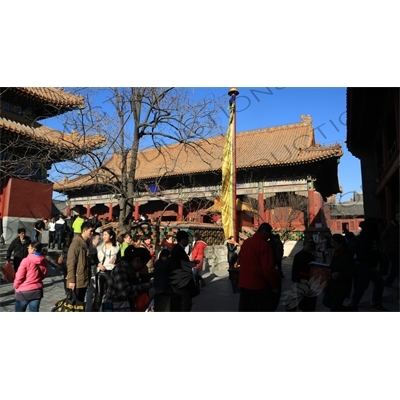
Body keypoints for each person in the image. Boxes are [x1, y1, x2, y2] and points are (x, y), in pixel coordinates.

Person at [238, 223, 280, 312]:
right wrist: (274, 286)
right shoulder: (264, 245)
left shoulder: (247, 242)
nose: (269, 237)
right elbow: (268, 269)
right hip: (258, 286)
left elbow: (240, 259)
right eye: (269, 234)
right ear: (265, 232)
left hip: (244, 284)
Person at [347, 218, 387, 311]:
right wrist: (372, 264)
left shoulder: (364, 235)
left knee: (363, 284)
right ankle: (375, 302)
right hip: (366, 264)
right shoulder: (369, 236)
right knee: (379, 282)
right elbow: (367, 252)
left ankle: (354, 303)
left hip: (362, 263)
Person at [104, 246, 153, 311]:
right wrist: (148, 285)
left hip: (123, 306)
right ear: (137, 260)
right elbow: (126, 291)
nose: (143, 267)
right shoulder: (121, 268)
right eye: (143, 264)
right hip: (114, 307)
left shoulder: (131, 270)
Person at [322, 234, 355, 311]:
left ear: (340, 243)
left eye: (334, 243)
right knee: (326, 302)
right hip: (332, 285)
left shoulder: (346, 255)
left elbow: (352, 271)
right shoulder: (336, 253)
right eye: (331, 243)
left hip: (341, 287)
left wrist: (340, 274)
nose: (332, 245)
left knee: (334, 307)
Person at [168, 230, 198, 311]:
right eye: (187, 239)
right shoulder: (178, 250)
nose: (188, 241)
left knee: (182, 302)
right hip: (181, 281)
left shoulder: (177, 249)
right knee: (185, 303)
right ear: (182, 239)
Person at [13, 242, 48, 312]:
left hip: (24, 292)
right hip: (37, 291)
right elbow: (43, 275)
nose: (27, 248)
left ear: (34, 249)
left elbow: (19, 277)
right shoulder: (44, 260)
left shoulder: (26, 260)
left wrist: (15, 286)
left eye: (29, 247)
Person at [66, 222, 94, 302]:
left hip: (84, 278)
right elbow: (71, 262)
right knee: (75, 304)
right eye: (90, 231)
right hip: (77, 280)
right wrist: (71, 280)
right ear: (84, 230)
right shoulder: (76, 244)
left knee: (80, 303)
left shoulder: (86, 243)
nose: (92, 233)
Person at [93, 228, 120, 310]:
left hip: (111, 271)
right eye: (103, 235)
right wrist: (98, 264)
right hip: (101, 270)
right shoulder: (100, 244)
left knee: (110, 292)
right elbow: (93, 257)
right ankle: (96, 310)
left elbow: (120, 258)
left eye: (105, 235)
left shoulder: (117, 246)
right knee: (99, 292)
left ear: (111, 236)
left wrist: (116, 260)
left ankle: (107, 309)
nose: (103, 237)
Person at [288, 240, 317, 311]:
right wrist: (294, 279)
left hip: (309, 279)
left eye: (310, 247)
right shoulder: (298, 255)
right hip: (301, 279)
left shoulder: (311, 256)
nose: (309, 248)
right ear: (304, 245)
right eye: (308, 246)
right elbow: (294, 268)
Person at [382, 212, 399, 289]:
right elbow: (383, 237)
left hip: (397, 250)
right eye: (398, 216)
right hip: (391, 250)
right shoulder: (391, 226)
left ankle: (387, 283)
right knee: (397, 267)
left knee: (394, 268)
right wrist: (387, 246)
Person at [85, 232, 101, 311]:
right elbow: (92, 261)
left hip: (93, 272)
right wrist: (98, 263)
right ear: (93, 239)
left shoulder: (92, 248)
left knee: (92, 292)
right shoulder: (93, 249)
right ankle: (89, 309)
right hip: (92, 272)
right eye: (98, 239)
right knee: (91, 292)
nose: (100, 240)